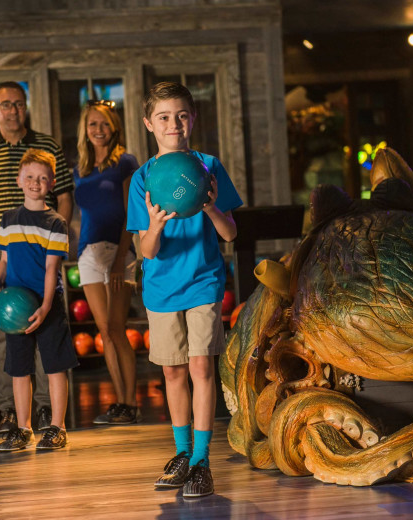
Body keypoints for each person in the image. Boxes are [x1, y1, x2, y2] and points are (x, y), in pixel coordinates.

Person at [126, 82, 242, 497]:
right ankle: (181, 452)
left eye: (180, 115)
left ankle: (201, 461)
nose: (173, 124)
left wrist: (210, 205)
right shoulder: (142, 179)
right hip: (161, 289)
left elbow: (229, 234)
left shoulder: (209, 165)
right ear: (148, 124)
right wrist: (154, 226)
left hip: (203, 282)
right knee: (173, 371)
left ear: (191, 119)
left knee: (200, 368)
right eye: (163, 117)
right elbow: (147, 250)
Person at [0, 81, 74, 434]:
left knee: (46, 326)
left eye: (19, 103)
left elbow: (67, 195)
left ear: (25, 107)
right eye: (5, 104)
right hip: (4, 246)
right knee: (6, 331)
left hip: (44, 244)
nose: (13, 110)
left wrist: (56, 235)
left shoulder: (47, 144)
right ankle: (11, 411)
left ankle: (46, 410)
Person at [0, 149, 78, 451]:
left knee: (54, 367)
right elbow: (3, 260)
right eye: (29, 177)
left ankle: (57, 427)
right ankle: (23, 428)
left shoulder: (56, 223)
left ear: (51, 183)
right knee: (19, 369)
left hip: (46, 305)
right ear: (19, 180)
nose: (35, 183)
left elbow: (52, 268)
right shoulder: (9, 219)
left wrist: (46, 306)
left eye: (42, 178)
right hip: (15, 308)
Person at [73, 100, 141, 425]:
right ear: (84, 130)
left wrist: (119, 260)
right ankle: (119, 402)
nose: (98, 130)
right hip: (87, 252)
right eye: (92, 125)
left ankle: (131, 402)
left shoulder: (125, 162)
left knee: (117, 328)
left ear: (113, 126)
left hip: (120, 252)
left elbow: (133, 214)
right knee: (103, 329)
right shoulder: (81, 168)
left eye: (104, 124)